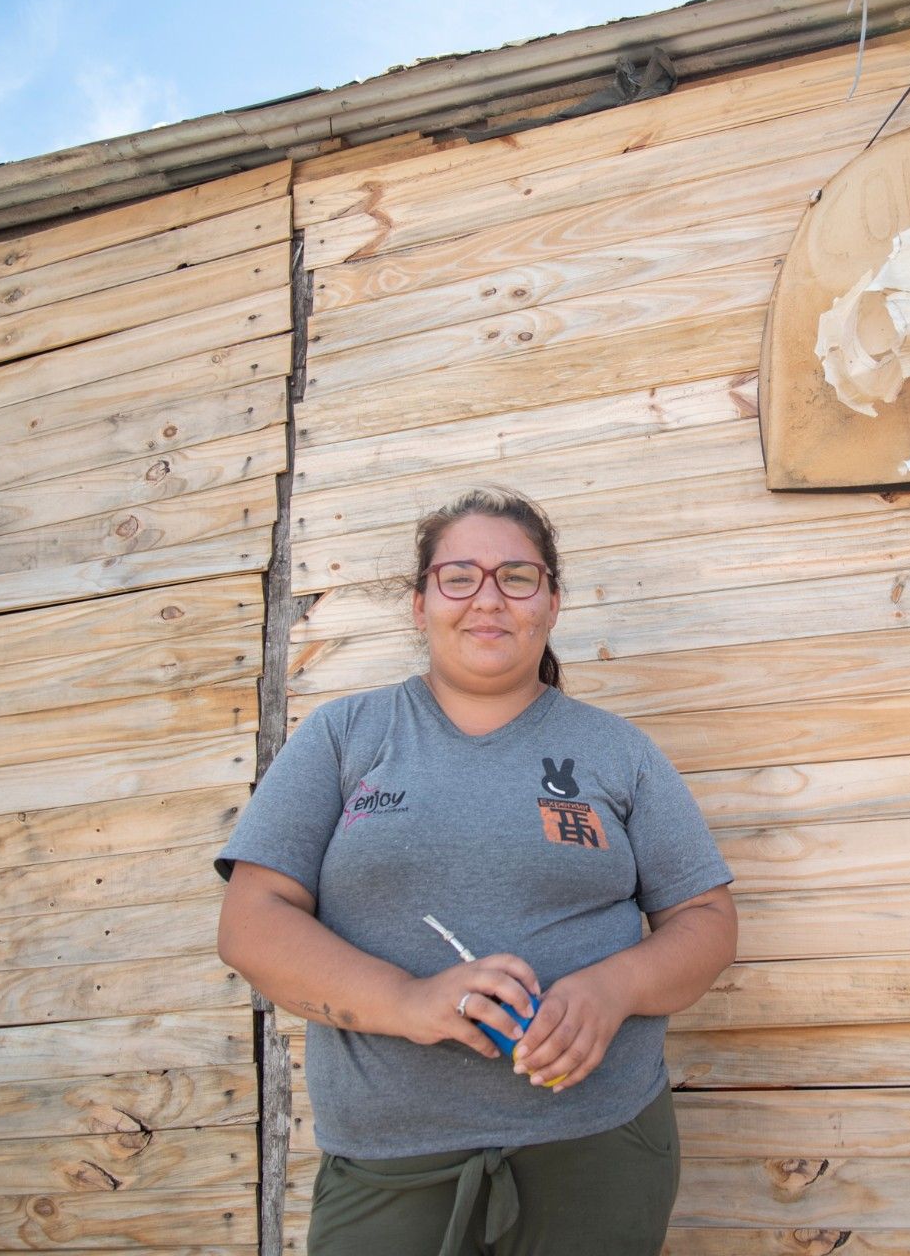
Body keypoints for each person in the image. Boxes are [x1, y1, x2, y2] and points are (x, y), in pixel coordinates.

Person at [213, 486, 738, 1255]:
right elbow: (252, 920)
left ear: (551, 602)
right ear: (420, 603)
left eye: (516, 577)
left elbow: (706, 921)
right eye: (458, 576)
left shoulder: (616, 752)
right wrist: (407, 1000)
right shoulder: (344, 735)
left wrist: (610, 989)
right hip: (390, 1164)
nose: (487, 599)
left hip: (598, 1149)